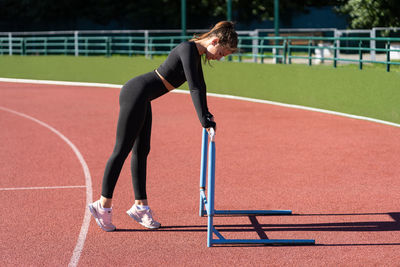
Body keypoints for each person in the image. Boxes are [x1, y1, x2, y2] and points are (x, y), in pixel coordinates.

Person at [88, 21, 238, 232]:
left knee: (141, 151)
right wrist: (203, 119)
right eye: (222, 52)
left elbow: (200, 86)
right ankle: (102, 206)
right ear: (214, 41)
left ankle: (140, 207)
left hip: (144, 98)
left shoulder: (195, 55)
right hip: (136, 93)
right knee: (121, 150)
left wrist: (207, 115)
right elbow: (194, 87)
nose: (220, 57)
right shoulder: (187, 49)